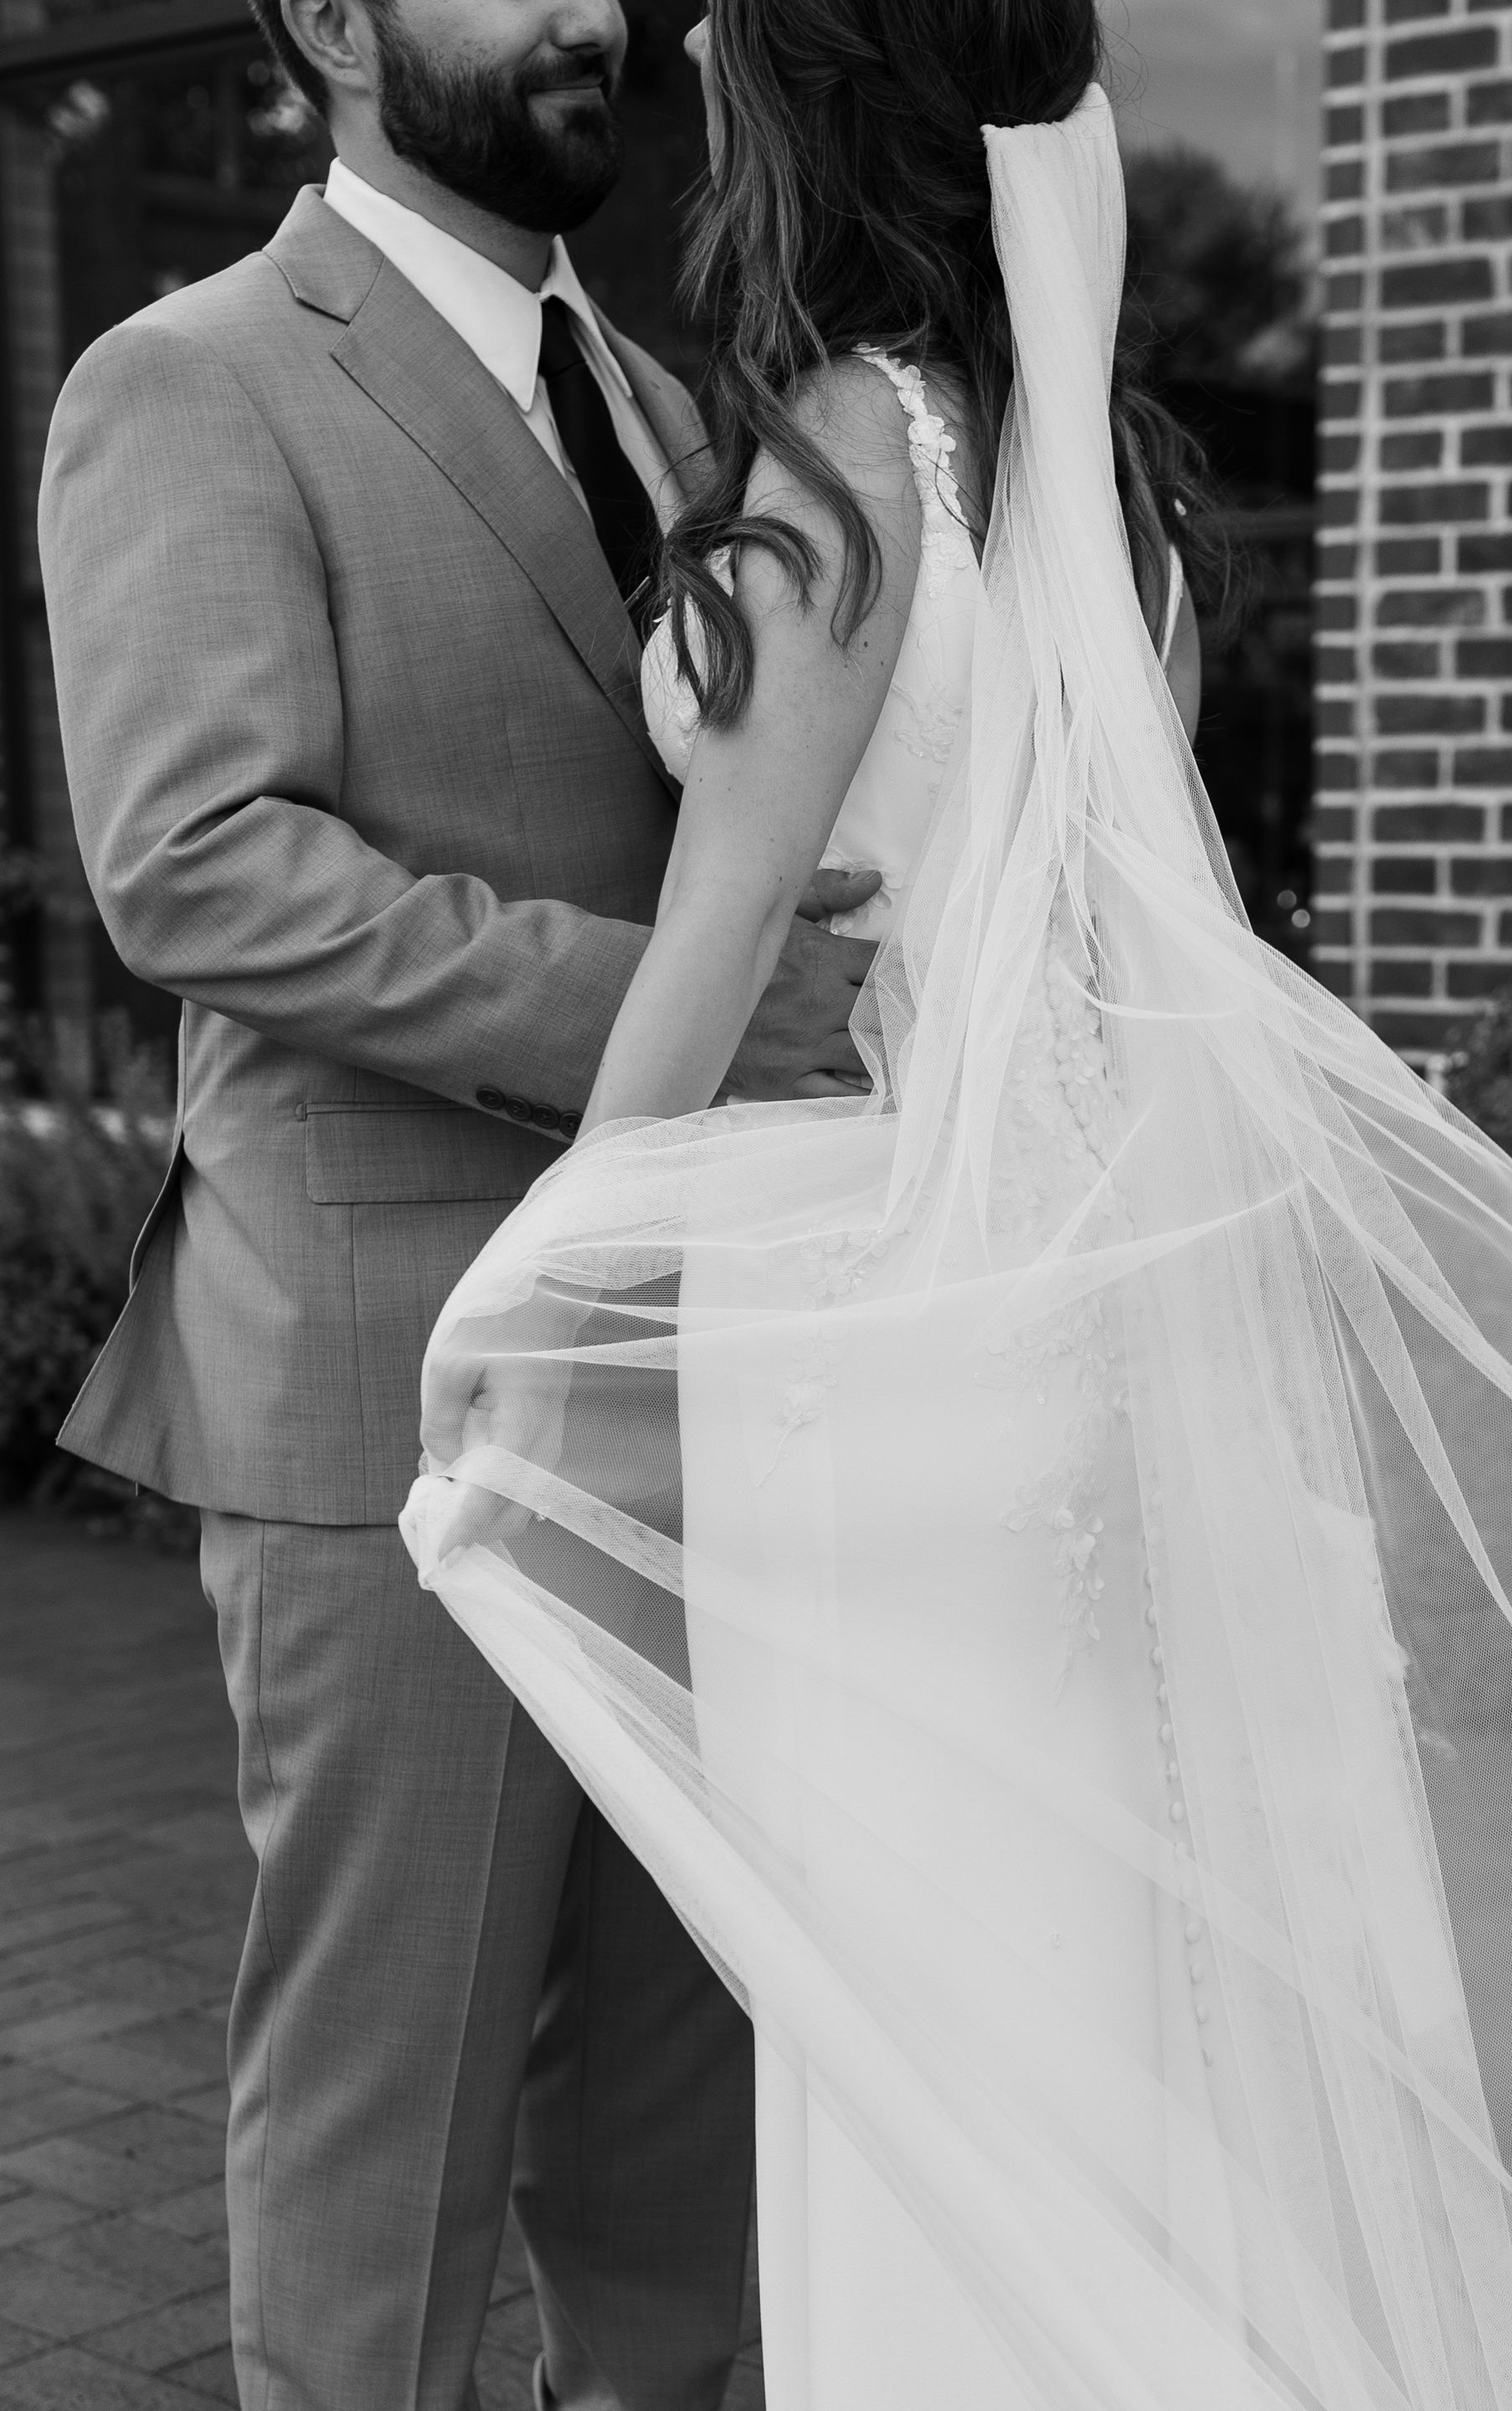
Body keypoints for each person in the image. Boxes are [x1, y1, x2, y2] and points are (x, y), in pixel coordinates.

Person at [406, 2, 1512, 2407]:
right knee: (1093, 2006)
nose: (696, 55)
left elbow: (722, 941)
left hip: (884, 1364)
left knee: (923, 2048)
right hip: (1066, 1325)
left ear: (816, 94)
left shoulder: (848, 461)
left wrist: (522, 1320)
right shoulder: (1111, 491)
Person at [37, 0, 887, 2402]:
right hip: (394, 1391)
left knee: (677, 2167)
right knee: (384, 2151)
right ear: (328, 20)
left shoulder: (683, 406)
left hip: (703, 1384)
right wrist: (687, 1008)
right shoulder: (189, 380)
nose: (589, 13)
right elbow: (198, 863)